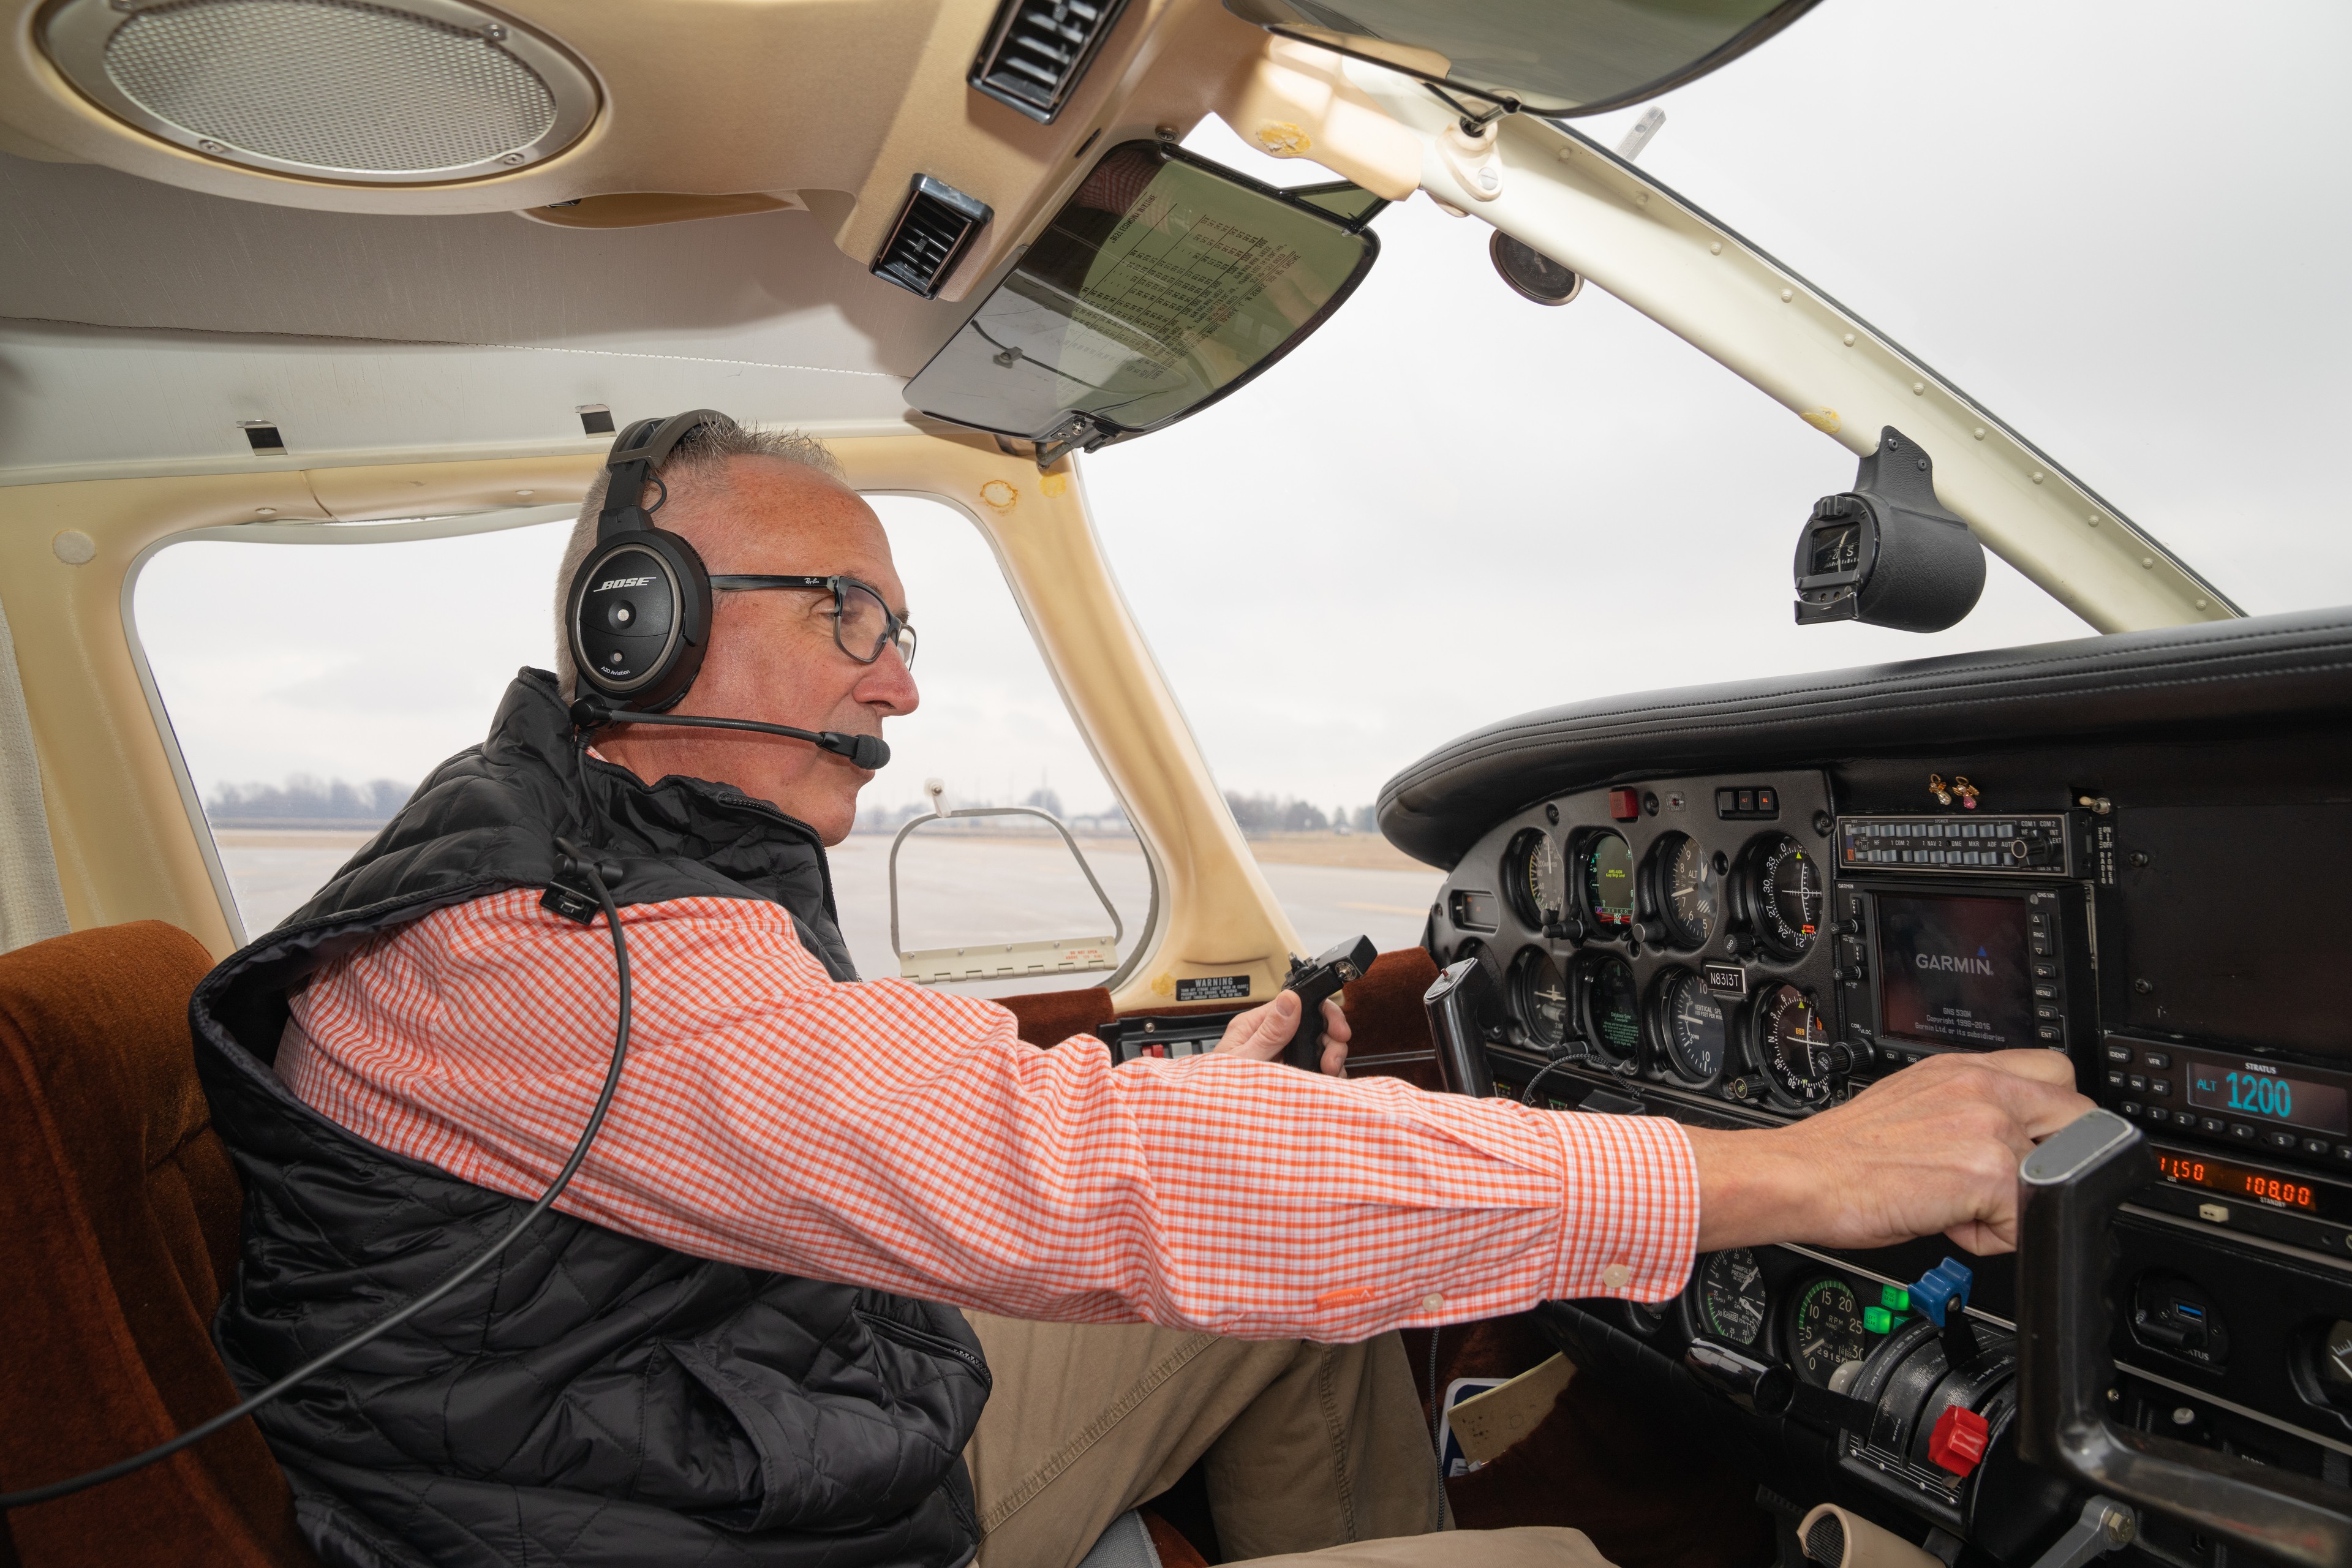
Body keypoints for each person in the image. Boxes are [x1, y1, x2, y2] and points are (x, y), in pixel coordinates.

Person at [189, 419, 2093, 1568]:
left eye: (903, 630)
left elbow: (871, 1110)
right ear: (645, 622)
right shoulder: (537, 952)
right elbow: (1059, 1176)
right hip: (660, 1530)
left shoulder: (606, 868)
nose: (901, 686)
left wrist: (1205, 1101)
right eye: (850, 615)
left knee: (1302, 1284)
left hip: (691, 1426)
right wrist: (1790, 1177)